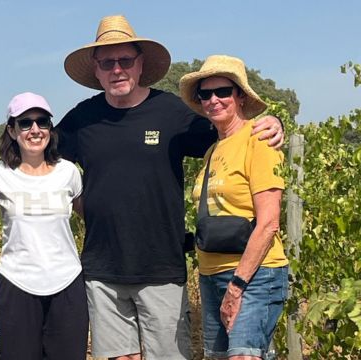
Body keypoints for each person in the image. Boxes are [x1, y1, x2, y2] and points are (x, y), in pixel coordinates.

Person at [57, 15, 285, 360]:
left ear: (140, 64)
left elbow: (229, 130)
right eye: (107, 63)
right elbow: (40, 161)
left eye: (125, 60)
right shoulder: (81, 118)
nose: (117, 69)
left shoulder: (171, 112)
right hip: (102, 268)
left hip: (161, 266)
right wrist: (78, 200)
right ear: (97, 69)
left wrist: (271, 123)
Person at [0, 92, 88, 359]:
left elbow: (93, 217)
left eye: (42, 122)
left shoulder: (69, 172)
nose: (35, 130)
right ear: (11, 130)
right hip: (16, 284)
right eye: (25, 123)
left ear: (50, 129)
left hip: (67, 284)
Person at [179, 55, 288, 359]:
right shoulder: (212, 150)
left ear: (239, 95)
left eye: (223, 91)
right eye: (205, 94)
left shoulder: (259, 140)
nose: (214, 100)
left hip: (253, 274)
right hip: (211, 274)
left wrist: (237, 284)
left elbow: (269, 222)